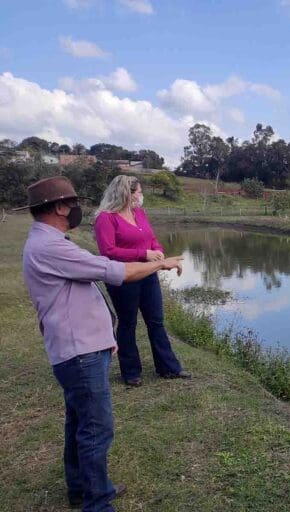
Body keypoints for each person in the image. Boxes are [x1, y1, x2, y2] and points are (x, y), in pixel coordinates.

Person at [19, 176, 183, 511]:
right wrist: (159, 263)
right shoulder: (52, 246)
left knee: (79, 421)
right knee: (96, 428)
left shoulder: (45, 241)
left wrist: (102, 336)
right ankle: (98, 502)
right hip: (79, 351)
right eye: (72, 203)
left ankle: (83, 488)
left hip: (80, 346)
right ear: (60, 207)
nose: (77, 209)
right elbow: (111, 270)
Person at [93, 175, 190, 387]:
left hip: (148, 275)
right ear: (126, 193)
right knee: (128, 323)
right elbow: (108, 251)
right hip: (124, 276)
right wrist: (142, 254)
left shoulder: (139, 213)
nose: (141, 196)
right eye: (138, 192)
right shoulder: (106, 218)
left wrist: (158, 252)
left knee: (156, 321)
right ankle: (131, 372)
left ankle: (168, 368)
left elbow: (152, 239)